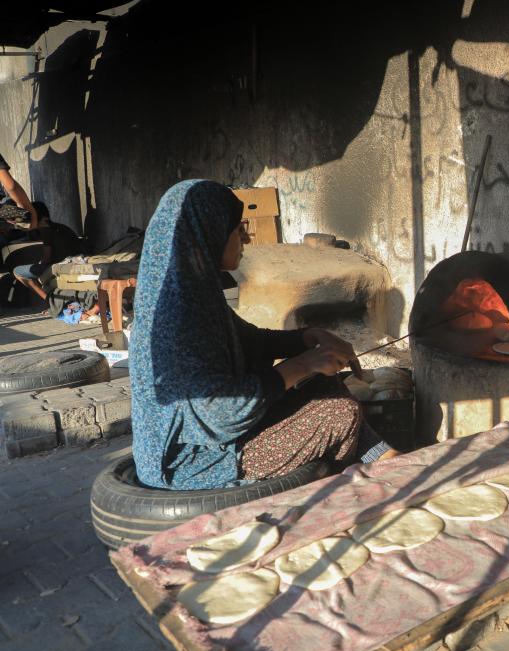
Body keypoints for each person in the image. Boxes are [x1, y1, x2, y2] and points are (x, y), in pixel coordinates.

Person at [131, 179, 397, 490]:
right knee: (337, 414)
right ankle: (348, 488)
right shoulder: (178, 314)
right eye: (236, 227)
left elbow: (248, 340)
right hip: (192, 461)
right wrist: (302, 365)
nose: (246, 236)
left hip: (217, 440)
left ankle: (384, 457)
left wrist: (306, 339)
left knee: (326, 383)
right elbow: (219, 414)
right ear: (210, 233)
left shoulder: (195, 292)